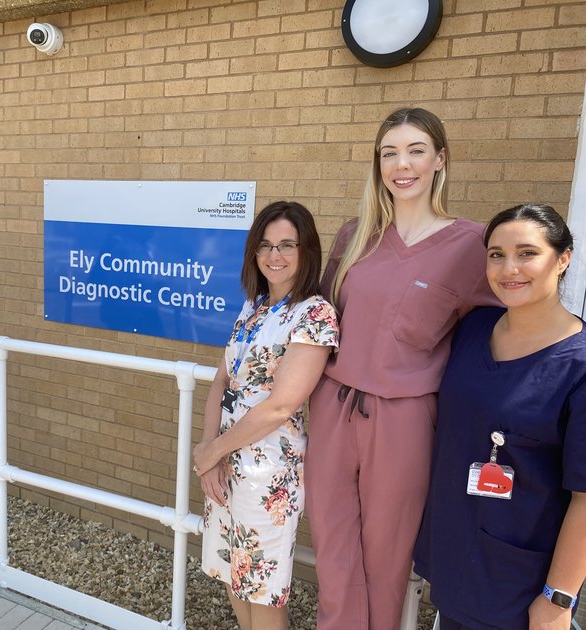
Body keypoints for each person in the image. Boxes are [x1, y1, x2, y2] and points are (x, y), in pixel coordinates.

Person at [303, 107, 498, 630]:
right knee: (333, 546)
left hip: (405, 417)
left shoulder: (473, 246)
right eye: (389, 153)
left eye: (415, 150)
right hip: (332, 405)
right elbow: (318, 325)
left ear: (440, 159)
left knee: (386, 558)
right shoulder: (355, 235)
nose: (401, 164)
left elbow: (498, 334)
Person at [414, 204, 586, 630]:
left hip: (521, 584)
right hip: (455, 556)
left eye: (527, 253)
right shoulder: (474, 330)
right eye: (495, 254)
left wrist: (557, 600)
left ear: (563, 259)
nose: (509, 268)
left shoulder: (577, 366)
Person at [193, 201, 339, 629]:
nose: (275, 256)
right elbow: (221, 382)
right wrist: (210, 456)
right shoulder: (252, 307)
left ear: (306, 250)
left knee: (262, 586)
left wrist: (211, 452)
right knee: (233, 575)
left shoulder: (314, 315)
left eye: (287, 245)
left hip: (268, 473)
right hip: (224, 463)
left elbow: (281, 405)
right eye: (265, 246)